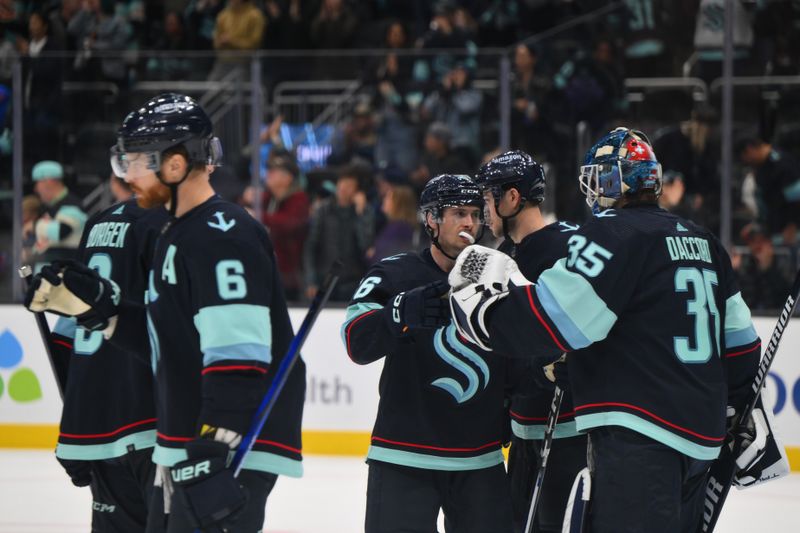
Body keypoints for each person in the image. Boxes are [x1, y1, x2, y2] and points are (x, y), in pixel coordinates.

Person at [449, 128, 762, 533]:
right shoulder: (704, 240)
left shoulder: (612, 232)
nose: (592, 188)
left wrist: (490, 317)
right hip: (702, 439)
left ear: (615, 180)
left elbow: (556, 320)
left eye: (598, 177)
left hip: (641, 436)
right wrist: (737, 406)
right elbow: (741, 346)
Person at [24, 93, 305, 533]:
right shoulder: (176, 232)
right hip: (183, 445)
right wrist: (100, 308)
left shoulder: (221, 233)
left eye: (136, 161)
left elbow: (238, 358)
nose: (127, 176)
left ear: (175, 164)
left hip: (221, 450)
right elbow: (166, 344)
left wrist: (214, 450)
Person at [342, 174, 513, 533]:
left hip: (479, 460)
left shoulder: (502, 278)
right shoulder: (394, 272)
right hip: (403, 456)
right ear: (431, 219)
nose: (470, 222)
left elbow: (519, 352)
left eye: (476, 214)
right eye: (458, 213)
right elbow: (356, 343)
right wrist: (397, 314)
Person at [27, 192, 168, 531]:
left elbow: (66, 339)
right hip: (154, 420)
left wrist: (76, 425)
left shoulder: (98, 222)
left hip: (100, 428)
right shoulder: (171, 219)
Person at [474, 150, 586, 533]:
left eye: (489, 199)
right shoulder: (502, 257)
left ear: (512, 198)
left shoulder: (570, 248)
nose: (484, 210)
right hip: (523, 436)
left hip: (570, 436)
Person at [304, 166, 375, 301]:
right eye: (341, 183)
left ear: (357, 191)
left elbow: (365, 245)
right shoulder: (323, 210)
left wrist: (361, 214)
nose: (343, 188)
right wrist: (310, 280)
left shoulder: (365, 212)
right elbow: (310, 246)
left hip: (352, 281)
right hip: (324, 278)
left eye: (349, 185)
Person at [736, 136, 800, 246]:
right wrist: (756, 225)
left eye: (745, 158)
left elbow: (796, 198)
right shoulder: (761, 168)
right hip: (775, 233)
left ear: (750, 149)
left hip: (792, 233)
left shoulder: (781, 164)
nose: (747, 162)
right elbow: (766, 205)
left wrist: (792, 225)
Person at [29, 160, 87, 268]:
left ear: (49, 181)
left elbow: (60, 231)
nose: (36, 188)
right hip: (49, 273)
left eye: (38, 182)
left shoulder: (71, 204)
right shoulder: (48, 207)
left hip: (65, 275)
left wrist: (34, 225)